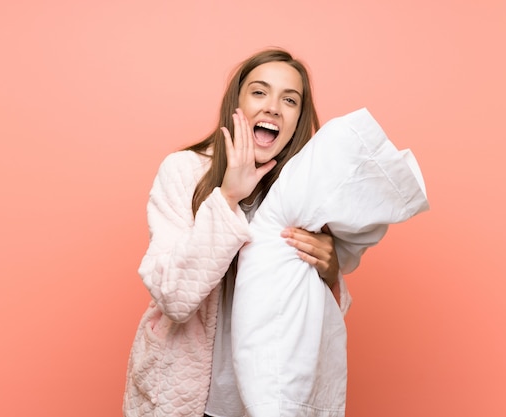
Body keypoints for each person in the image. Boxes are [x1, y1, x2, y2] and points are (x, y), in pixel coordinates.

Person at [122, 48, 344, 417]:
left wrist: (331, 271)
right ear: (236, 105)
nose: (273, 107)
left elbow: (319, 322)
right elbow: (174, 298)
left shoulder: (306, 194)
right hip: (185, 397)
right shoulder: (184, 171)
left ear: (298, 119)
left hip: (268, 399)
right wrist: (227, 198)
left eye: (289, 100)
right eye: (259, 92)